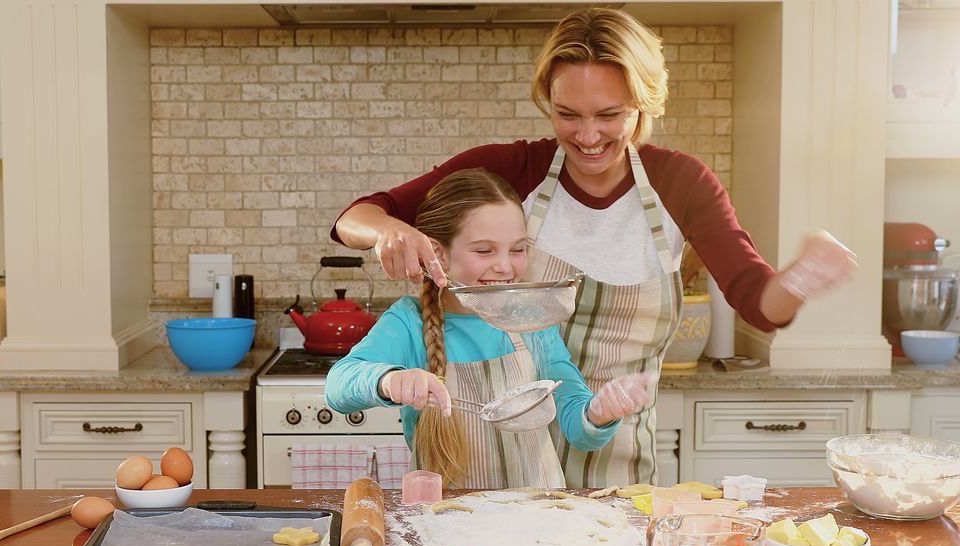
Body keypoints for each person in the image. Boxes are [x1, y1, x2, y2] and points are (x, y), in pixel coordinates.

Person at [330, 8, 857, 487]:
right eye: (568, 114)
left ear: (644, 103)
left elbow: (759, 303)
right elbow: (357, 216)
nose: (586, 136)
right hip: (493, 466)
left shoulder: (681, 185)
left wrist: (802, 278)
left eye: (609, 114)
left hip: (612, 446)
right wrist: (389, 232)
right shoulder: (513, 170)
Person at [324, 168, 651, 489]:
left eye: (518, 248)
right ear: (437, 255)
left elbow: (578, 429)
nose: (506, 266)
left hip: (538, 519)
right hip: (448, 523)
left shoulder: (531, 320)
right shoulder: (409, 322)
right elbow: (337, 387)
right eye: (484, 250)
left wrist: (599, 412)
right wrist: (390, 380)